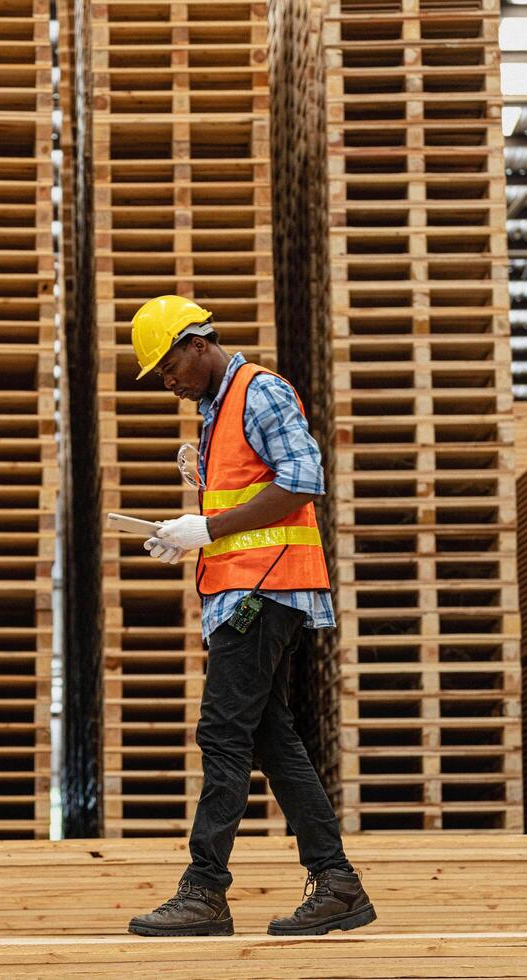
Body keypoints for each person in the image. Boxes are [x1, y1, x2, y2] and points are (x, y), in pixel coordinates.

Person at [124, 295, 376, 938]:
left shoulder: (259, 390)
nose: (168, 384)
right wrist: (193, 517)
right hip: (249, 594)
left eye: (168, 369)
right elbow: (249, 492)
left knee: (222, 734)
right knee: (270, 737)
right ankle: (338, 884)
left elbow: (302, 480)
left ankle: (204, 891)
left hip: (265, 593)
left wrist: (204, 526)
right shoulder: (217, 411)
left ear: (197, 344)